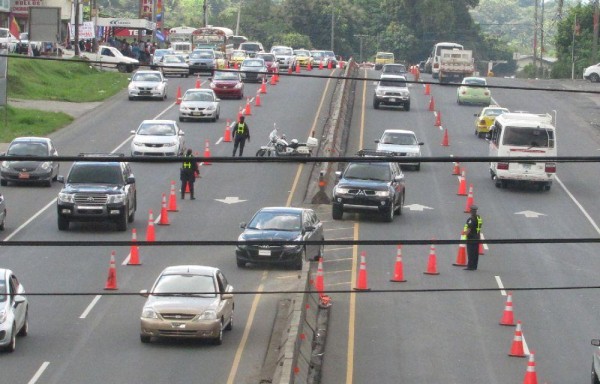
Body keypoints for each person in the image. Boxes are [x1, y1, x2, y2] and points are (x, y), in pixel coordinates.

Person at [464, 205, 483, 270]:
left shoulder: (471, 219)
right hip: (477, 237)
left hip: (471, 238)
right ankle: (474, 266)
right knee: (475, 253)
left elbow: (469, 229)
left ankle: (470, 266)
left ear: (471, 211)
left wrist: (465, 236)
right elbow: (479, 226)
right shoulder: (479, 217)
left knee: (470, 252)